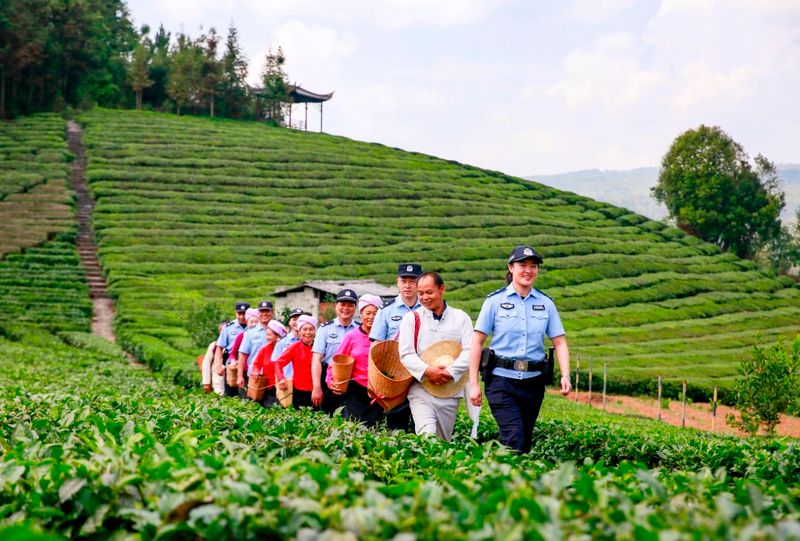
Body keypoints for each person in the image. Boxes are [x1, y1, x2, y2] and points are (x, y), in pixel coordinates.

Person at [468, 245, 571, 454]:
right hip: (501, 381)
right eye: (522, 265)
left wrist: (566, 375)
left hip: (533, 382)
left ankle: (506, 478)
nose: (528, 270)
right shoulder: (494, 301)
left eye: (533, 266)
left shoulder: (546, 303)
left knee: (523, 442)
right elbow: (477, 342)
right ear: (511, 268)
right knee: (514, 436)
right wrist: (473, 384)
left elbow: (559, 342)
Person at [398, 272, 473, 441]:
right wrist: (427, 370)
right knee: (427, 437)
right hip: (421, 389)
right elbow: (406, 353)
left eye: (429, 292)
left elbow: (470, 350)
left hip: (450, 391)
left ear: (441, 289)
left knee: (443, 440)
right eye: (421, 293)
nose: (424, 297)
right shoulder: (412, 318)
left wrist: (451, 372)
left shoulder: (460, 318)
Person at [370, 263, 423, 432]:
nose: (407, 285)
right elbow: (376, 345)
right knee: (396, 423)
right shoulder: (386, 310)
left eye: (412, 281)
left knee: (421, 422)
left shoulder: (428, 308)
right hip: (394, 375)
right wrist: (373, 381)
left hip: (421, 373)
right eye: (403, 280)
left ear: (419, 282)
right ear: (397, 282)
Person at [327, 294, 385, 426]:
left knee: (374, 431)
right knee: (354, 428)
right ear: (361, 313)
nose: (371, 317)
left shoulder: (385, 337)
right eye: (367, 313)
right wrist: (331, 380)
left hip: (378, 392)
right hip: (355, 391)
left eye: (375, 313)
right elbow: (336, 361)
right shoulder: (351, 336)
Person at [311, 289, 358, 413]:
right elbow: (316, 359)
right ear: (336, 306)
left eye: (350, 305)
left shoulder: (360, 329)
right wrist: (316, 387)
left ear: (355, 308)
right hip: (329, 379)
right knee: (328, 417)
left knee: (353, 418)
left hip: (353, 379)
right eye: (342, 304)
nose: (346, 308)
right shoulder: (325, 329)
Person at [275, 314, 318, 409]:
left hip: (318, 391)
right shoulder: (294, 347)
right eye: (304, 329)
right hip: (299, 391)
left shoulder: (320, 346)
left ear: (315, 331)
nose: (308, 332)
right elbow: (278, 363)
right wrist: (281, 378)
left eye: (311, 329)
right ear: (299, 331)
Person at [237, 300, 274, 396]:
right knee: (254, 405)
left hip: (273, 377)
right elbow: (242, 354)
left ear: (272, 312)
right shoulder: (250, 333)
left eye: (267, 311)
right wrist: (240, 376)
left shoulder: (278, 331)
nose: (264, 314)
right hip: (255, 376)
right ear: (258, 313)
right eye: (262, 311)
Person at [214, 302, 250, 398]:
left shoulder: (254, 325)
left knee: (247, 395)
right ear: (235, 313)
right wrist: (218, 365)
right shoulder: (229, 327)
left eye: (244, 314)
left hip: (249, 363)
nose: (242, 317)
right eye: (239, 314)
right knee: (231, 394)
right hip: (232, 364)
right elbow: (219, 347)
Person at [249, 319, 287, 407]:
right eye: (266, 335)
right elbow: (256, 364)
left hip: (283, 387)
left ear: (278, 336)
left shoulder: (285, 349)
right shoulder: (264, 349)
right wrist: (256, 371)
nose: (267, 337)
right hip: (268, 387)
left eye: (270, 335)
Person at [271, 308, 307, 380]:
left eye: (300, 319)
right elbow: (275, 363)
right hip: (287, 381)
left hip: (304, 382)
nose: (297, 322)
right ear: (289, 322)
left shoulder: (310, 342)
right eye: (294, 319)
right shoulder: (282, 342)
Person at [202, 321, 228, 395]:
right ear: (219, 331)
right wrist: (206, 382)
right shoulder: (214, 345)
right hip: (217, 381)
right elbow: (206, 363)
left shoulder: (233, 344)